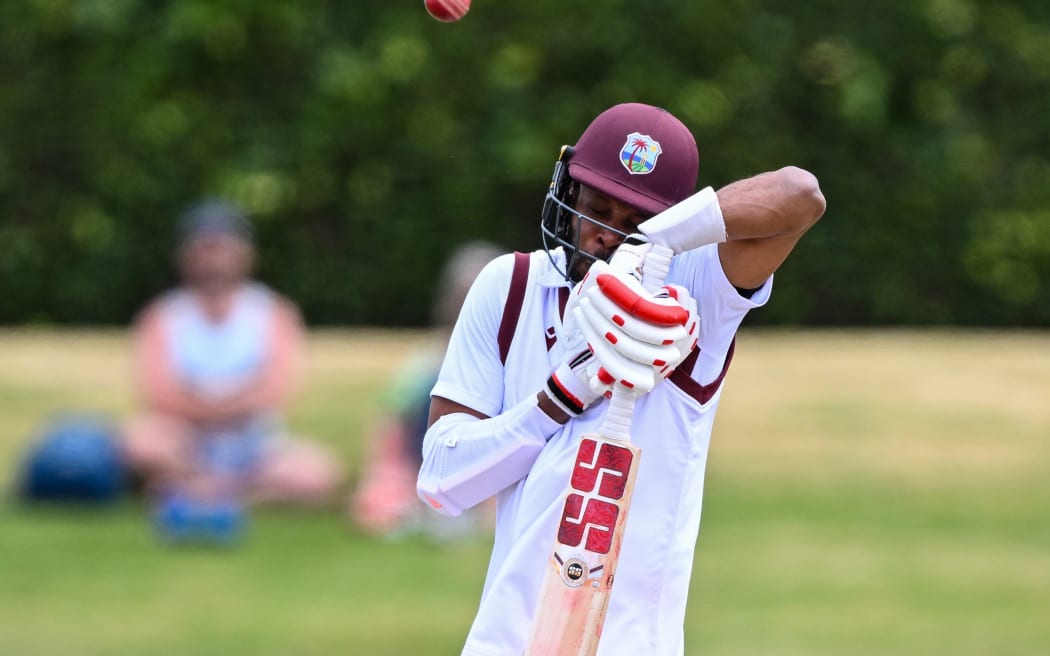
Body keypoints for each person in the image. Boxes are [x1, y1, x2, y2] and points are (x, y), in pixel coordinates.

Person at [416, 103, 826, 654]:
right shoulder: (510, 286)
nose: (607, 235)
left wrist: (657, 241)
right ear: (570, 194)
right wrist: (557, 400)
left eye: (633, 222)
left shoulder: (694, 289)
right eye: (597, 209)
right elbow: (442, 481)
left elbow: (800, 196)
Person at [122, 199, 344, 519]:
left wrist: (203, 401)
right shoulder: (162, 317)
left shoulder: (274, 313)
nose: (213, 260)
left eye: (222, 248)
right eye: (204, 249)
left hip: (253, 445)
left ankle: (205, 491)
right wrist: (231, 402)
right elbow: (159, 396)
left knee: (319, 472)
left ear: (246, 254)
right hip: (185, 442)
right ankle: (212, 487)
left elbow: (275, 392)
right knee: (140, 442)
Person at [350, 241, 505, 538]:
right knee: (379, 497)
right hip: (421, 472)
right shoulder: (428, 362)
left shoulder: (517, 365)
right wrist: (389, 468)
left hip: (490, 476)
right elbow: (393, 419)